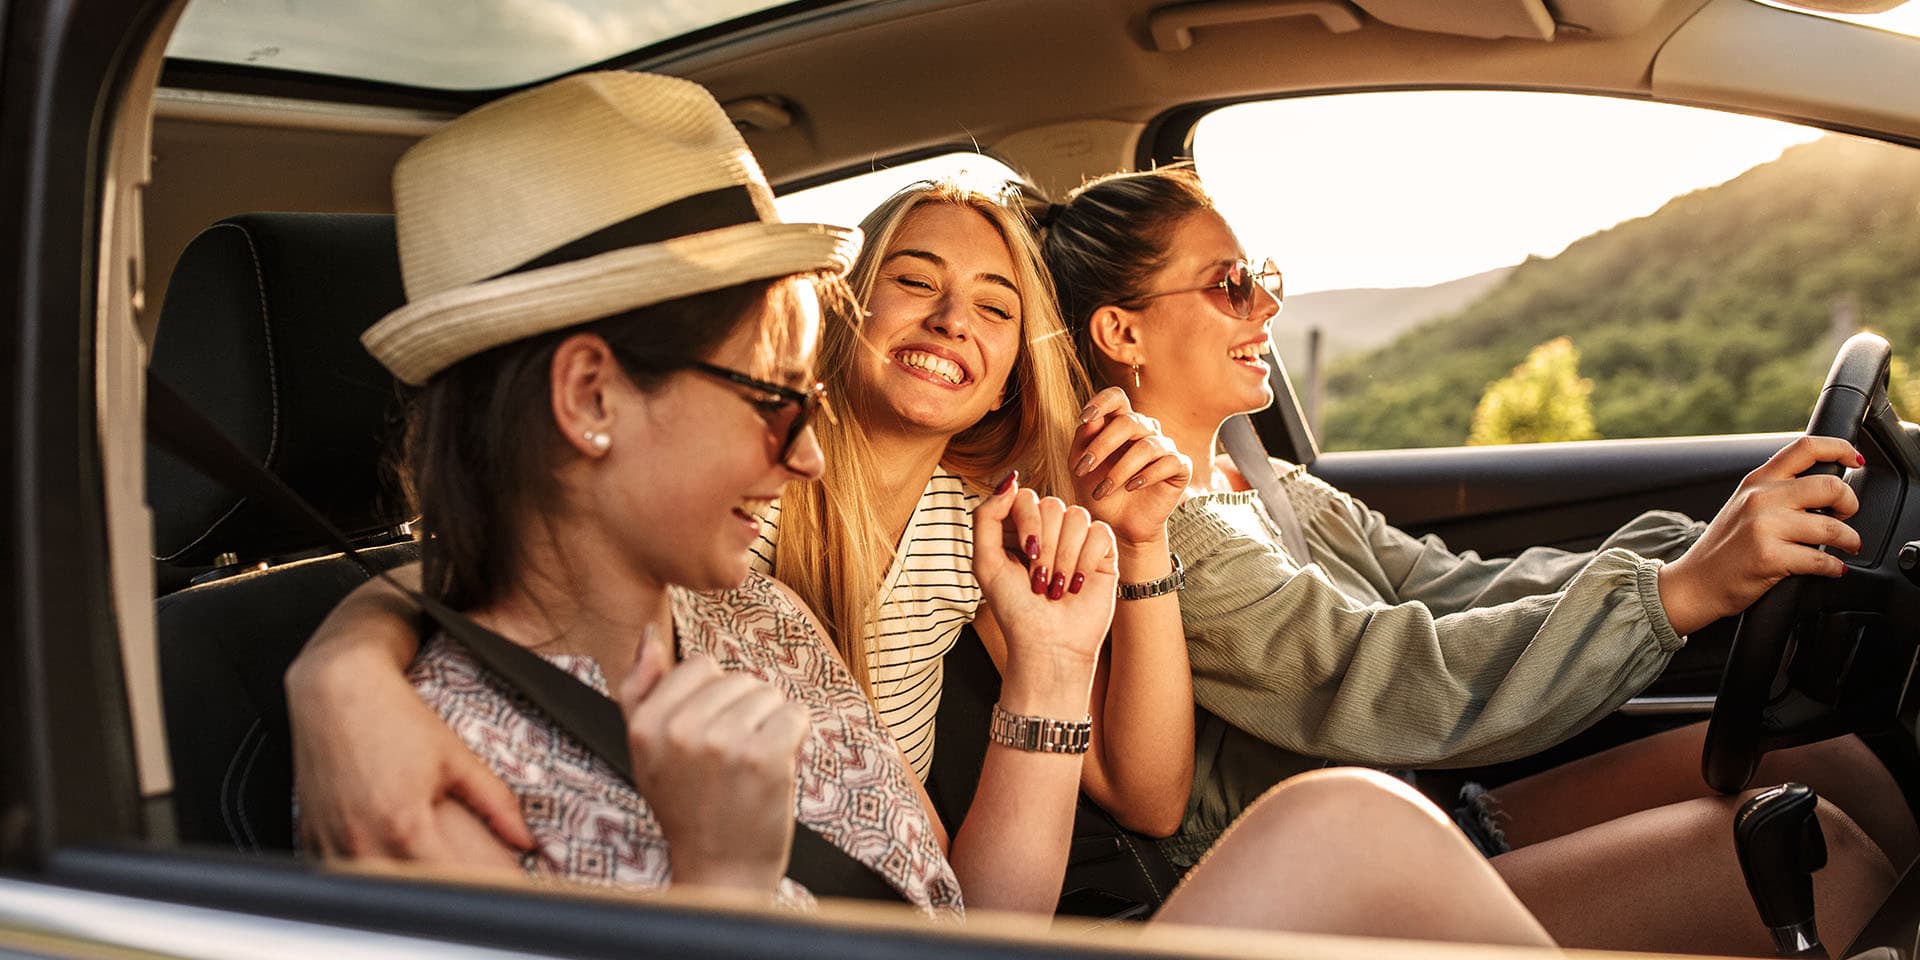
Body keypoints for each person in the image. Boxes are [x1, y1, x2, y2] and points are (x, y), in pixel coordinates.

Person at [325, 68, 1562, 946]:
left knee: (1353, 826)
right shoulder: (429, 779)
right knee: (1351, 829)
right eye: (772, 392)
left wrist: (1053, 664)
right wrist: (716, 881)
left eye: (994, 307)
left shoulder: (756, 619)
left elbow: (967, 920)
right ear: (591, 393)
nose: (801, 453)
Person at [1040, 164, 1911, 953]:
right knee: (1822, 854)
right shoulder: (1166, 541)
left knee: (1837, 765)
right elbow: (1377, 667)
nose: (1266, 307)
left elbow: (1450, 587)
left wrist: (1703, 549)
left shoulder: (1265, 481)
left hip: (1426, 819)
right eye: (1232, 286)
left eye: (1261, 279)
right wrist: (1677, 594)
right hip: (1319, 900)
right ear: (1123, 331)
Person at [288, 176, 1199, 866]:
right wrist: (346, 664)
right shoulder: (716, 523)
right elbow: (523, 570)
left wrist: (1135, 554)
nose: (956, 319)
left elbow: (1136, 803)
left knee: (1341, 819)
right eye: (914, 281)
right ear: (842, 321)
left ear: (1012, 376)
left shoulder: (896, 565)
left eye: (998, 308)